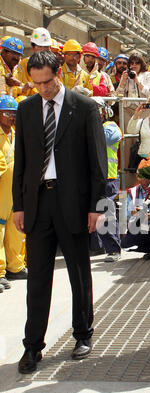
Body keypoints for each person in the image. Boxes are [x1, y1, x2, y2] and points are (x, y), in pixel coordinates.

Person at [13, 51, 107, 374]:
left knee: (79, 274)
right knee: (37, 278)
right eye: (36, 84)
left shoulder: (83, 108)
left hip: (74, 204)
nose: (43, 89)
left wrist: (97, 207)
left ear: (59, 74)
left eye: (48, 82)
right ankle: (32, 347)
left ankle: (82, 334)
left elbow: (98, 163)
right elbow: (21, 163)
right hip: (39, 203)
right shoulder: (25, 110)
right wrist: (19, 205)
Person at [0, 95, 27, 292]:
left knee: (15, 228)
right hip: (2, 189)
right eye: (7, 113)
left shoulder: (17, 133)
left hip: (16, 190)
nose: (11, 117)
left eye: (14, 114)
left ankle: (15, 266)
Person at [91, 96, 122, 262]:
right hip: (93, 178)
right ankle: (102, 247)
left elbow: (103, 139)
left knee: (106, 213)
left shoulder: (111, 127)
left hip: (108, 178)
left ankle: (113, 250)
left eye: (96, 109)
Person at [116, 53, 150, 167]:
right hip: (128, 110)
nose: (134, 65)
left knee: (144, 140)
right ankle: (127, 176)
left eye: (137, 63)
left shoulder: (147, 75)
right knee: (127, 143)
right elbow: (118, 94)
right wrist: (123, 80)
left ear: (141, 64)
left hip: (143, 110)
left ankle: (144, 173)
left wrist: (137, 80)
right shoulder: (126, 75)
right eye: (131, 63)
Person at [16, 27, 52, 96]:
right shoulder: (25, 63)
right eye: (41, 47)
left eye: (47, 47)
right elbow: (23, 87)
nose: (45, 50)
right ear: (33, 48)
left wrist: (32, 85)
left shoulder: (53, 64)